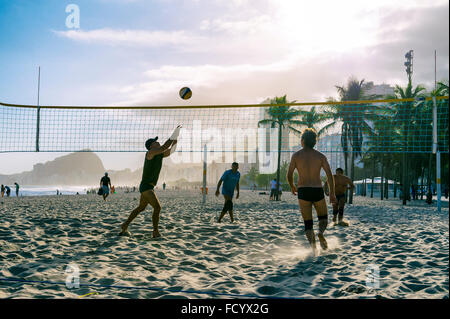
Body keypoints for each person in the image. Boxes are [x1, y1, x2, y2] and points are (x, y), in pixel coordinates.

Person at [120, 125, 181, 238]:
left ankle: (125, 225)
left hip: (148, 187)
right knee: (157, 208)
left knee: (141, 208)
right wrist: (174, 133)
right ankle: (155, 232)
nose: (157, 142)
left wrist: (176, 137)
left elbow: (172, 150)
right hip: (146, 186)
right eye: (155, 142)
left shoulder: (159, 154)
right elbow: (164, 147)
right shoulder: (151, 153)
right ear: (150, 146)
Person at [287, 128, 336, 255]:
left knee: (308, 224)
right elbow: (329, 175)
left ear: (302, 141)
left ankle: (314, 249)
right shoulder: (320, 156)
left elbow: (289, 173)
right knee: (323, 219)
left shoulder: (296, 156)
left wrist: (292, 185)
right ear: (314, 141)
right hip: (317, 189)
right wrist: (332, 193)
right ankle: (320, 233)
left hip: (303, 190)